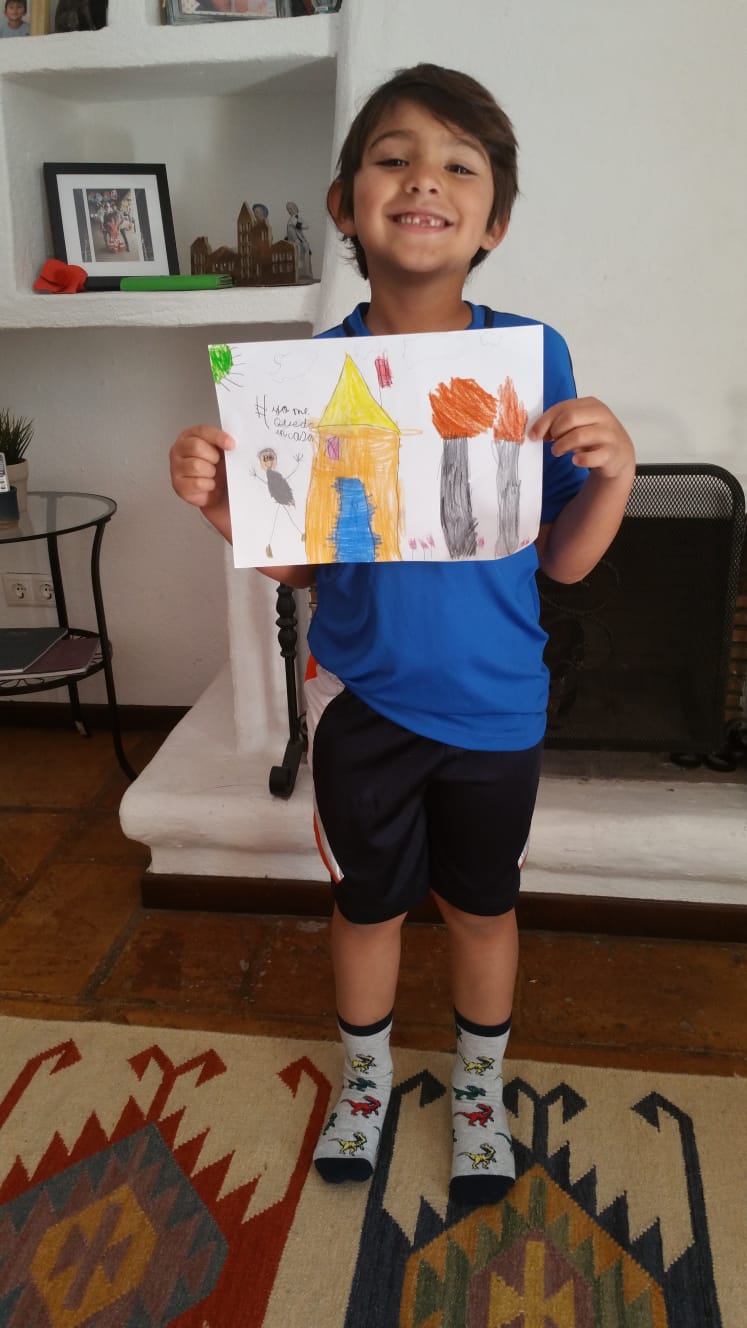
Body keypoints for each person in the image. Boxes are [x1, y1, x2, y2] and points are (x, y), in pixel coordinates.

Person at [169, 63, 635, 1207]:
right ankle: (367, 1079)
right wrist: (223, 507)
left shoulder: (534, 356)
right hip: (363, 704)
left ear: (494, 220)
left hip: (495, 707)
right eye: (394, 158)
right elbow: (302, 561)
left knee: (483, 905)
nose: (424, 179)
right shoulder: (308, 381)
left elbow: (564, 558)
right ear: (347, 203)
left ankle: (478, 1091)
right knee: (367, 903)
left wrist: (617, 475)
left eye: (458, 165)